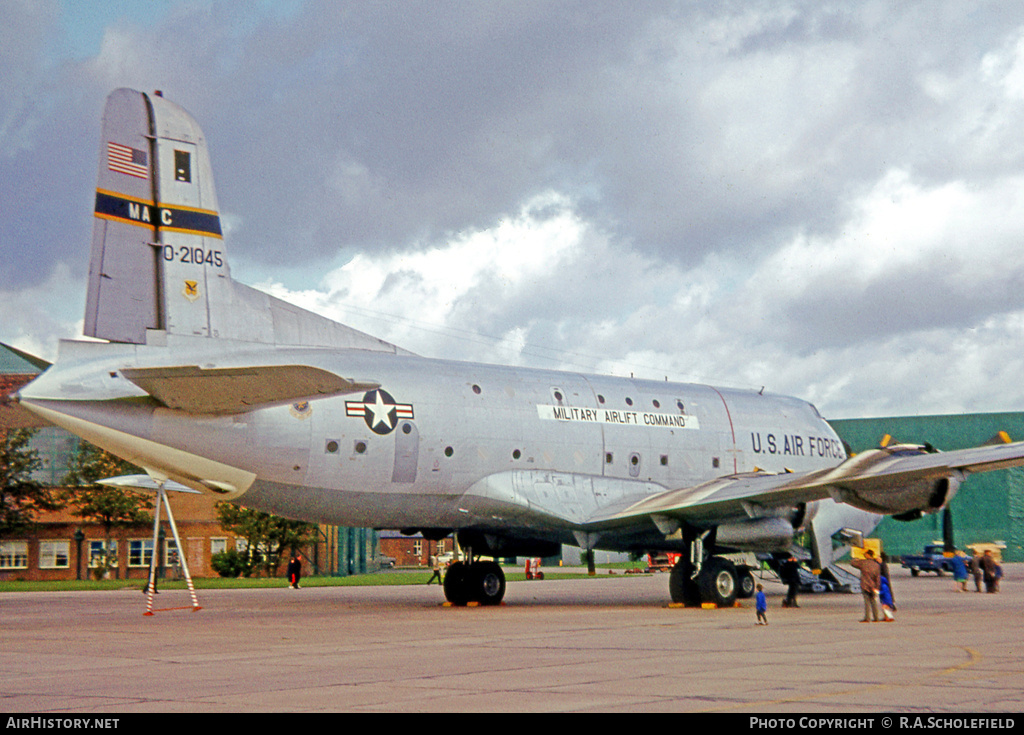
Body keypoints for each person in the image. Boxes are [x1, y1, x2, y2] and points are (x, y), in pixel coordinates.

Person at [851, 549, 882, 622]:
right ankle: (876, 617)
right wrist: (877, 587)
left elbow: (853, 563)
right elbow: (878, 578)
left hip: (865, 585)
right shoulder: (876, 565)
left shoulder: (863, 563)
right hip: (873, 586)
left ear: (868, 555)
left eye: (865, 554)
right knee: (873, 602)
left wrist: (855, 559)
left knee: (867, 602)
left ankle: (867, 618)